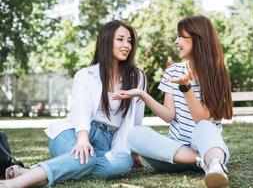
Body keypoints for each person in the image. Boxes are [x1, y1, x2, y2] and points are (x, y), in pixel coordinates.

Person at [0, 20, 146, 188]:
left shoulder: (137, 77)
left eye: (129, 41)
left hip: (108, 142)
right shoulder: (85, 74)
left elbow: (136, 115)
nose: (126, 45)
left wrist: (134, 153)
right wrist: (83, 138)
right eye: (120, 39)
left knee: (122, 164)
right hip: (73, 132)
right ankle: (13, 184)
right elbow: (81, 110)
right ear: (106, 41)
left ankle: (33, 172)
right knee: (86, 158)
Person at [113, 15, 232, 188]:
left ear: (198, 39)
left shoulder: (217, 74)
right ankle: (204, 162)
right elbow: (169, 116)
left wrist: (186, 88)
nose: (176, 42)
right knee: (134, 134)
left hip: (208, 147)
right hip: (174, 155)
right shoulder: (173, 71)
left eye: (181, 37)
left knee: (205, 126)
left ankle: (214, 165)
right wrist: (142, 94)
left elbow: (201, 119)